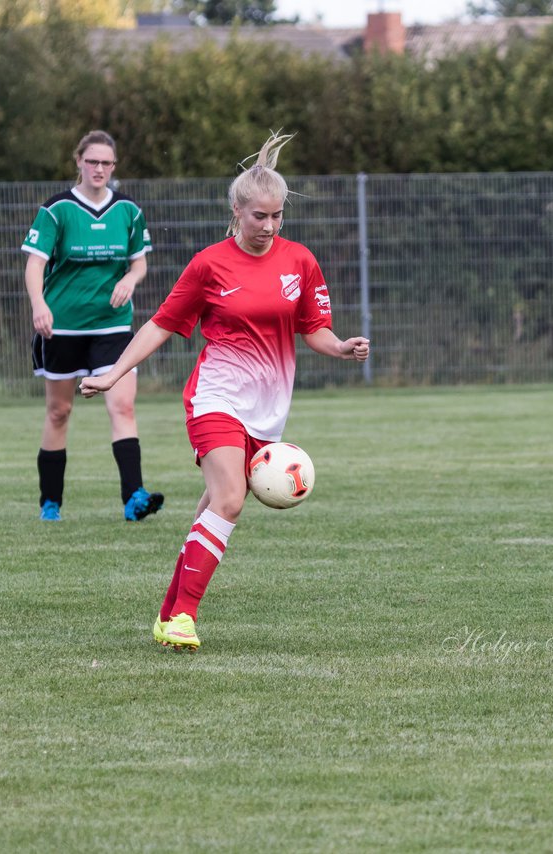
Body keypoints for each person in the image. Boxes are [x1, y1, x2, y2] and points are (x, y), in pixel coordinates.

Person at [80, 132, 370, 651]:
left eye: (277, 216)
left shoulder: (299, 261)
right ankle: (184, 619)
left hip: (267, 411)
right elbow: (161, 325)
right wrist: (112, 373)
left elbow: (314, 329)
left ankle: (168, 613)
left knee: (212, 506)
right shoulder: (209, 264)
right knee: (231, 499)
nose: (270, 226)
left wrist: (341, 347)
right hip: (215, 397)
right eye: (259, 216)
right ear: (236, 211)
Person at [22, 130, 164, 523]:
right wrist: (39, 305)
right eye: (92, 161)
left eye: (107, 163)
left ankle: (134, 497)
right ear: (79, 162)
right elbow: (35, 263)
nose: (99, 169)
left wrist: (130, 279)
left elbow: (139, 263)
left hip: (112, 327)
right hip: (62, 327)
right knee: (59, 412)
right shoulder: (57, 210)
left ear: (113, 166)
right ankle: (50, 502)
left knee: (123, 406)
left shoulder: (128, 212)